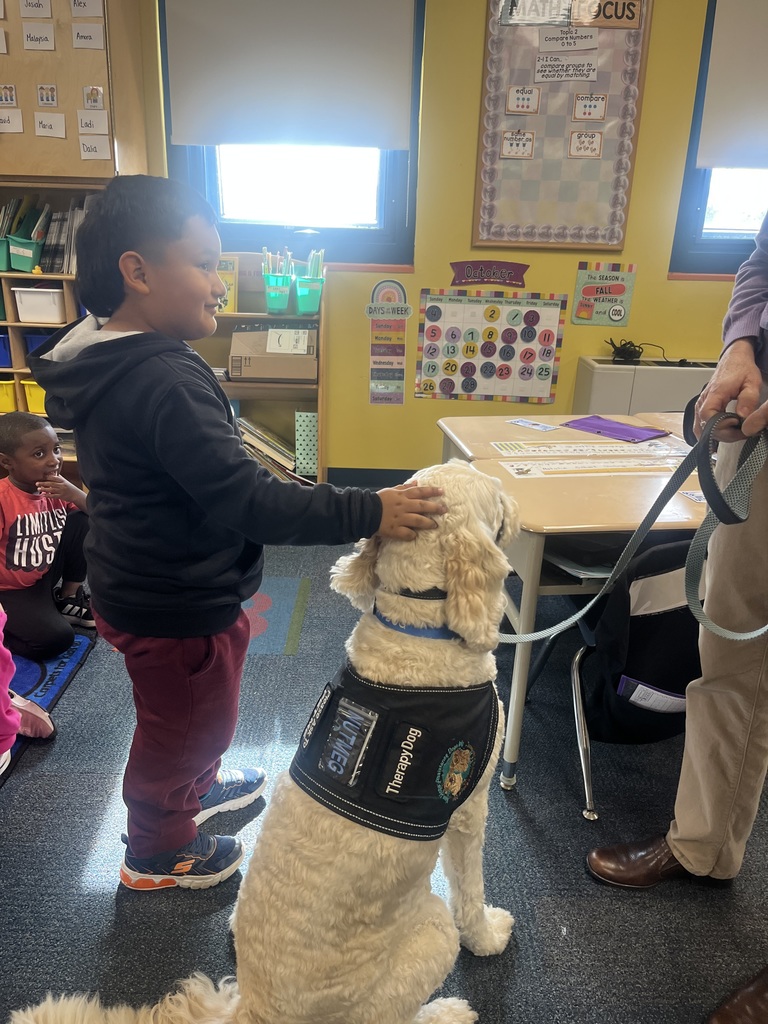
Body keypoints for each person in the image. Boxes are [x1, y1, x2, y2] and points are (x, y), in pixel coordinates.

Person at [28, 174, 447, 892]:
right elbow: (247, 501)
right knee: (183, 725)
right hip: (174, 601)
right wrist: (368, 510)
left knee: (193, 714)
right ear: (138, 271)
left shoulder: (109, 358)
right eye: (205, 263)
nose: (219, 283)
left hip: (151, 580)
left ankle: (198, 783)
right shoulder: (161, 378)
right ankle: (157, 849)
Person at [586, 210, 768, 1020]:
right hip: (758, 435)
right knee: (727, 648)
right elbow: (761, 262)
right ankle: (701, 846)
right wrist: (741, 345)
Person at [0, 412, 93, 661]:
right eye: (39, 454)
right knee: (56, 640)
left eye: (57, 449)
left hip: (43, 574)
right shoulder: (3, 498)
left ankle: (68, 597)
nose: (54, 461)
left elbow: (101, 516)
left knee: (83, 519)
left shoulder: (57, 488)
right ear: (7, 462)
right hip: (9, 591)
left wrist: (74, 494)